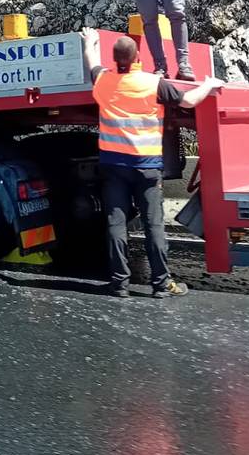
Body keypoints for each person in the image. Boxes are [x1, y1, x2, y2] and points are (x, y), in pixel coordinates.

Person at [81, 28, 222, 299]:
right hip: (145, 166)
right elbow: (189, 100)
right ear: (137, 59)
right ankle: (161, 284)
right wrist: (209, 84)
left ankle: (119, 284)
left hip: (113, 166)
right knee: (153, 224)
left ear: (115, 60)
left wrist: (91, 42)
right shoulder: (151, 83)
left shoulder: (104, 81)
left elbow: (92, 62)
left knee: (116, 224)